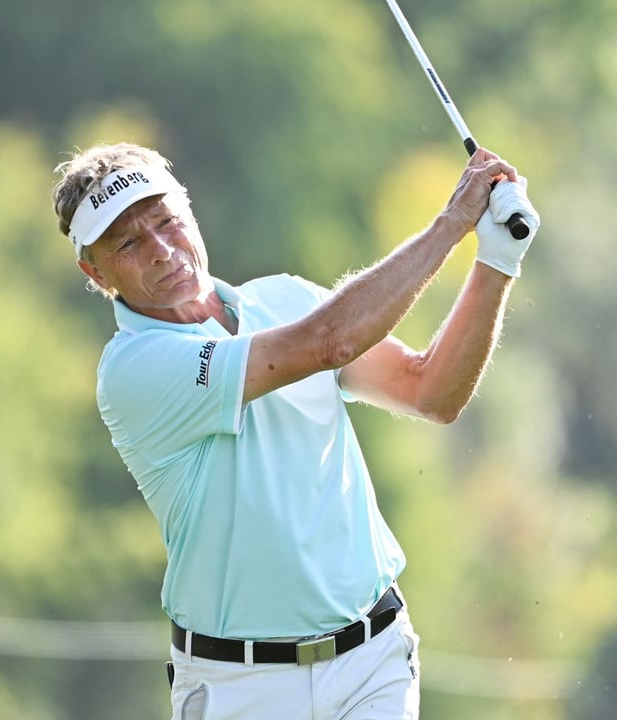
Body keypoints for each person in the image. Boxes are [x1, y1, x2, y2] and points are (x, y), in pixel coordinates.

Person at [51, 142, 539, 719]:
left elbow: (430, 389)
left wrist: (497, 260)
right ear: (95, 270)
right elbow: (330, 340)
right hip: (242, 687)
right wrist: (451, 223)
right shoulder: (135, 369)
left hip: (373, 664)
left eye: (166, 221)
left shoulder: (285, 298)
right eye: (127, 243)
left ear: (190, 212)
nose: (161, 251)